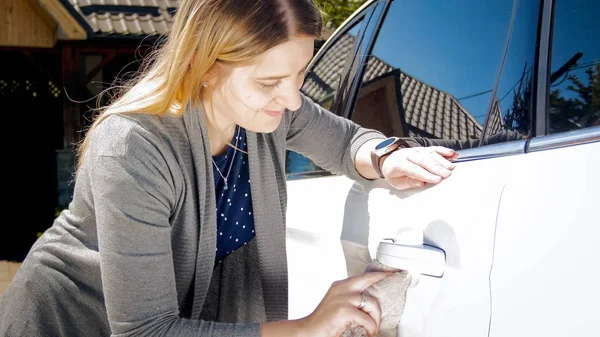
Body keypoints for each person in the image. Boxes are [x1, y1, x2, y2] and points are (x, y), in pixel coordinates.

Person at [0, 1, 457, 336]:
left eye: (299, 75)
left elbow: (343, 141)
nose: (294, 98)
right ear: (204, 67)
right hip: (65, 323)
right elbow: (144, 332)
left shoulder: (271, 111)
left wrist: (386, 156)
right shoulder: (132, 148)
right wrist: (305, 328)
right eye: (269, 82)